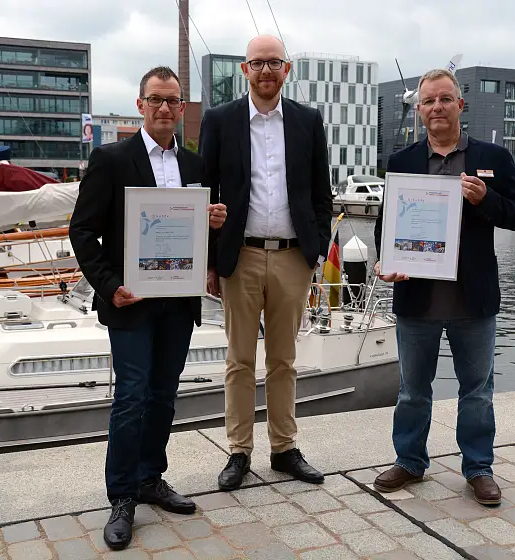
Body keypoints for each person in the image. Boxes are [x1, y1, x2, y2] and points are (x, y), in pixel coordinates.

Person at [69, 65, 227, 550]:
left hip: (178, 302)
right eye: (156, 99)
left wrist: (213, 223)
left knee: (163, 394)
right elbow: (82, 231)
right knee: (132, 395)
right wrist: (109, 285)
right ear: (140, 105)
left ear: (182, 109)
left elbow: (194, 233)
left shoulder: (197, 168)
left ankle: (149, 477)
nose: (164, 108)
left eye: (173, 101)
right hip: (131, 301)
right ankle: (121, 496)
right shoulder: (111, 158)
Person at [372, 68, 515, 506]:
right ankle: (410, 461)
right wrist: (387, 261)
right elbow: (387, 225)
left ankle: (479, 467)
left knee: (477, 390)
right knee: (411, 390)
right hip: (416, 298)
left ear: (461, 105)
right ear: (419, 109)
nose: (437, 107)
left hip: (473, 299)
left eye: (445, 99)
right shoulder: (403, 161)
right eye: (429, 101)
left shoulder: (493, 158)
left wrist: (486, 200)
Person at [199, 35, 333, 491]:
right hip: (242, 255)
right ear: (244, 70)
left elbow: (321, 193)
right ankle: (239, 451)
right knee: (239, 360)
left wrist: (316, 253)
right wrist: (211, 261)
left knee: (284, 360)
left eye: (274, 63)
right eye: (257, 63)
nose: (266, 71)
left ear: (287, 70)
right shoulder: (220, 121)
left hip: (294, 256)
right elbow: (206, 192)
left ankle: (284, 448)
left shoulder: (307, 121)